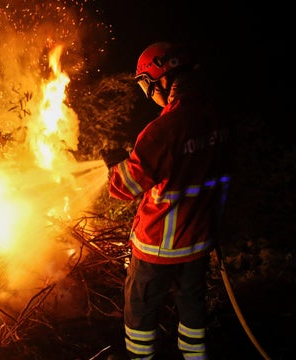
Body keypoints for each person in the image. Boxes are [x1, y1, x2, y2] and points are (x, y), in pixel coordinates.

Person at [99, 41, 235, 359]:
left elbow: (126, 185)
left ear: (161, 79)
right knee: (192, 311)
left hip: (158, 245)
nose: (149, 94)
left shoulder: (165, 129)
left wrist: (114, 167)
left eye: (147, 85)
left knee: (140, 313)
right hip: (200, 240)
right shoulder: (218, 115)